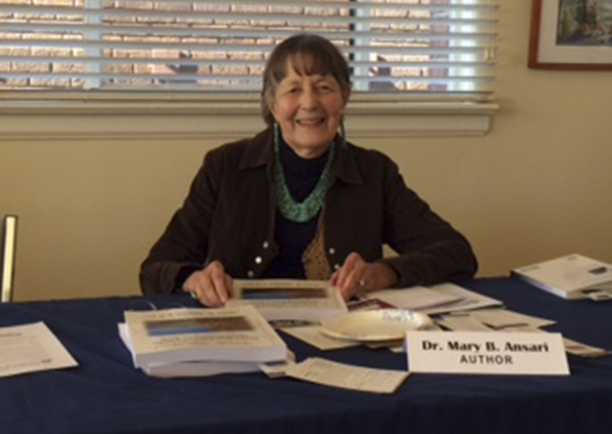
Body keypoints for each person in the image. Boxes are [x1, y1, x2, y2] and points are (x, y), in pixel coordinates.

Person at [139, 33, 478, 307]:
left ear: (344, 99)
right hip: (244, 335)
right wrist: (193, 279)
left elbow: (456, 253)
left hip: (346, 335)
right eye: (293, 89)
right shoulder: (225, 166)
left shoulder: (374, 172)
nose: (310, 103)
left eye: (324, 87)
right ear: (272, 104)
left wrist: (384, 273)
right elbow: (156, 268)